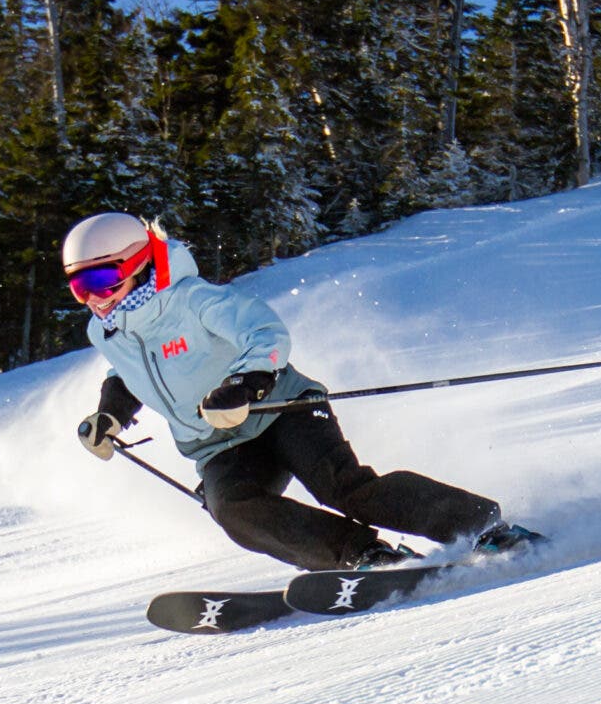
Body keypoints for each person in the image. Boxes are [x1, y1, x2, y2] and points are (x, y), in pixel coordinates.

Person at [62, 211, 531, 571]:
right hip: (219, 444)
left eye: (102, 279)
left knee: (345, 490)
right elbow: (126, 372)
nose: (95, 298)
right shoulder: (107, 331)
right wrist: (111, 415)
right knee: (233, 510)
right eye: (80, 288)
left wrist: (244, 385)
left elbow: (265, 332)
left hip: (282, 408)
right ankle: (363, 556)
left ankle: (483, 528)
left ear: (139, 264)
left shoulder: (193, 300)